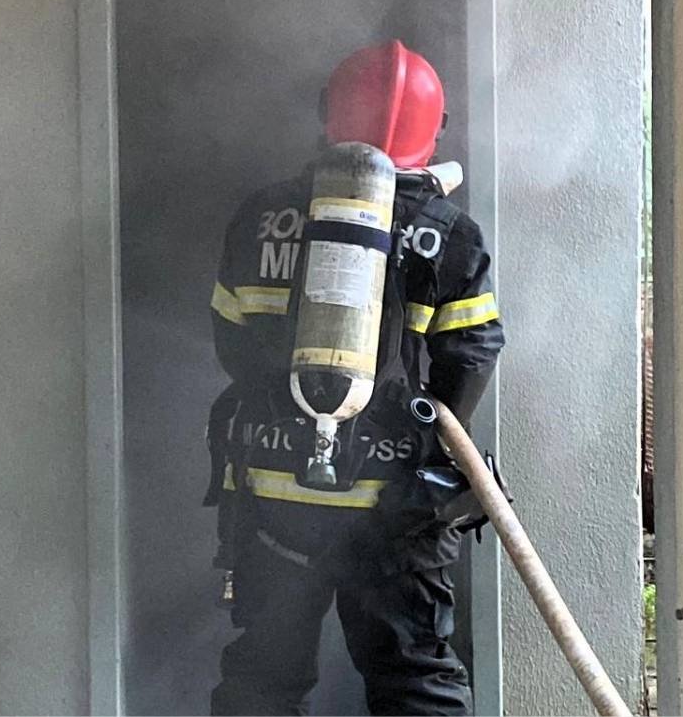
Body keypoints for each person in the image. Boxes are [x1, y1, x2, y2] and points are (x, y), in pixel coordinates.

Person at [205, 39, 505, 716]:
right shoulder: (451, 235)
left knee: (261, 681)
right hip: (396, 509)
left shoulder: (260, 218)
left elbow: (232, 343)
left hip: (274, 500)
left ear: (327, 113)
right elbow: (471, 360)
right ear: (435, 131)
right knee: (413, 682)